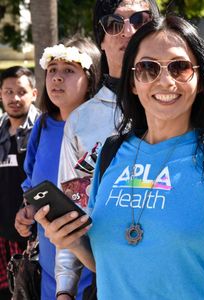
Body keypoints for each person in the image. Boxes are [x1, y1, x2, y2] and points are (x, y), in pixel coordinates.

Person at [34, 15, 204, 299]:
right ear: (134, 82)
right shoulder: (111, 154)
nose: (165, 80)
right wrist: (74, 243)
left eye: (180, 67)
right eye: (148, 68)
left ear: (200, 81)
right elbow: (110, 264)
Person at [55, 0, 160, 298]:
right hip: (110, 279)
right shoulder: (81, 121)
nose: (128, 31)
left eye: (140, 19)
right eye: (114, 24)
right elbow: (70, 207)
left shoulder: (183, 105)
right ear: (100, 40)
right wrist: (65, 288)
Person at [14, 36, 101, 300]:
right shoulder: (42, 126)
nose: (56, 78)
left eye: (68, 71)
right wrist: (26, 210)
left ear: (90, 79)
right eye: (52, 70)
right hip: (50, 264)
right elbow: (32, 182)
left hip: (93, 265)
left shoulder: (106, 131)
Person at [0, 66, 39, 300]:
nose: (14, 98)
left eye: (21, 91)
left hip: (32, 236)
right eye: (8, 91)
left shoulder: (44, 129)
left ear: (34, 94)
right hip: (2, 235)